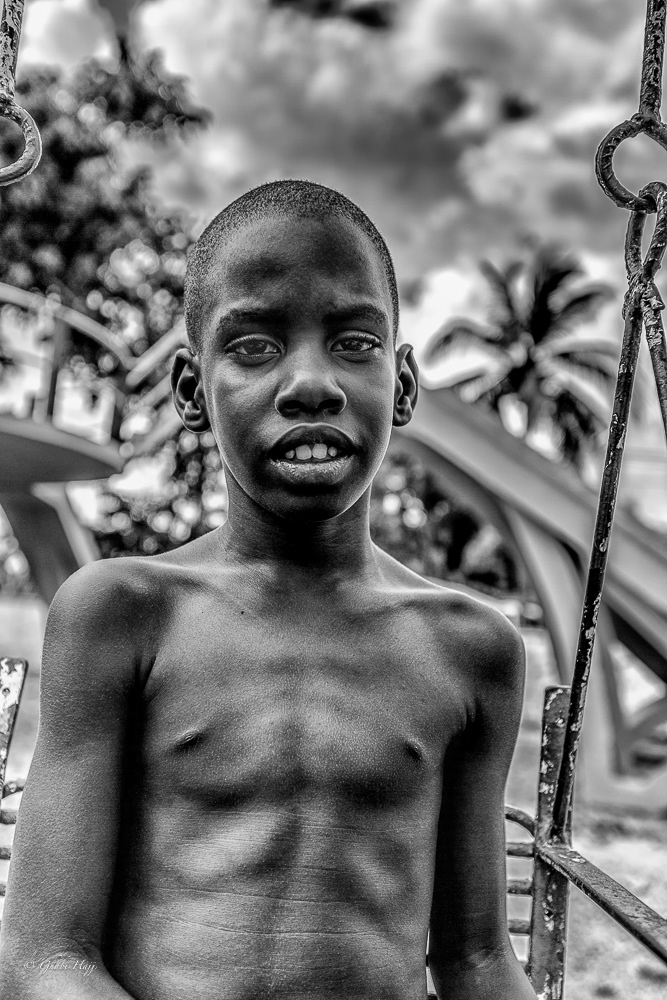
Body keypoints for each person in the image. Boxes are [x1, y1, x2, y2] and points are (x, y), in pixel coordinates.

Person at [0, 180, 536, 1000]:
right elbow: (45, 959)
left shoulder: (470, 648)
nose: (311, 384)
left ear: (402, 385)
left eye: (354, 342)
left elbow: (475, 962)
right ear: (191, 390)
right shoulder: (123, 613)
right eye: (254, 346)